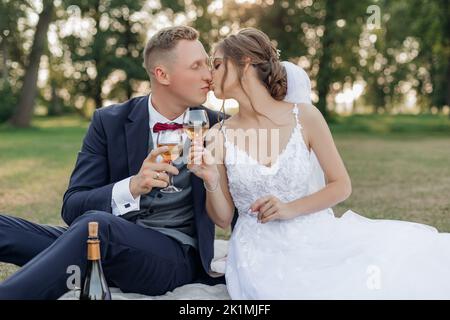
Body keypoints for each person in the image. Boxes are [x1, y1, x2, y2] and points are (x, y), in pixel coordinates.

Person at [188, 28, 450, 299]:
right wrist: (211, 180)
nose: (210, 75)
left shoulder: (305, 117)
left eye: (217, 65)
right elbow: (222, 217)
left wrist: (290, 208)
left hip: (316, 234)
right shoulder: (218, 134)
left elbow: (341, 186)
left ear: (245, 63)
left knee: (386, 274)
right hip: (259, 254)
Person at [0, 25, 228, 299]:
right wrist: (131, 187)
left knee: (97, 228)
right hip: (109, 243)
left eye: (207, 64)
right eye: (196, 66)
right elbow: (73, 206)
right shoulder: (108, 122)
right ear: (162, 74)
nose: (208, 75)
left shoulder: (219, 126)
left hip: (174, 256)